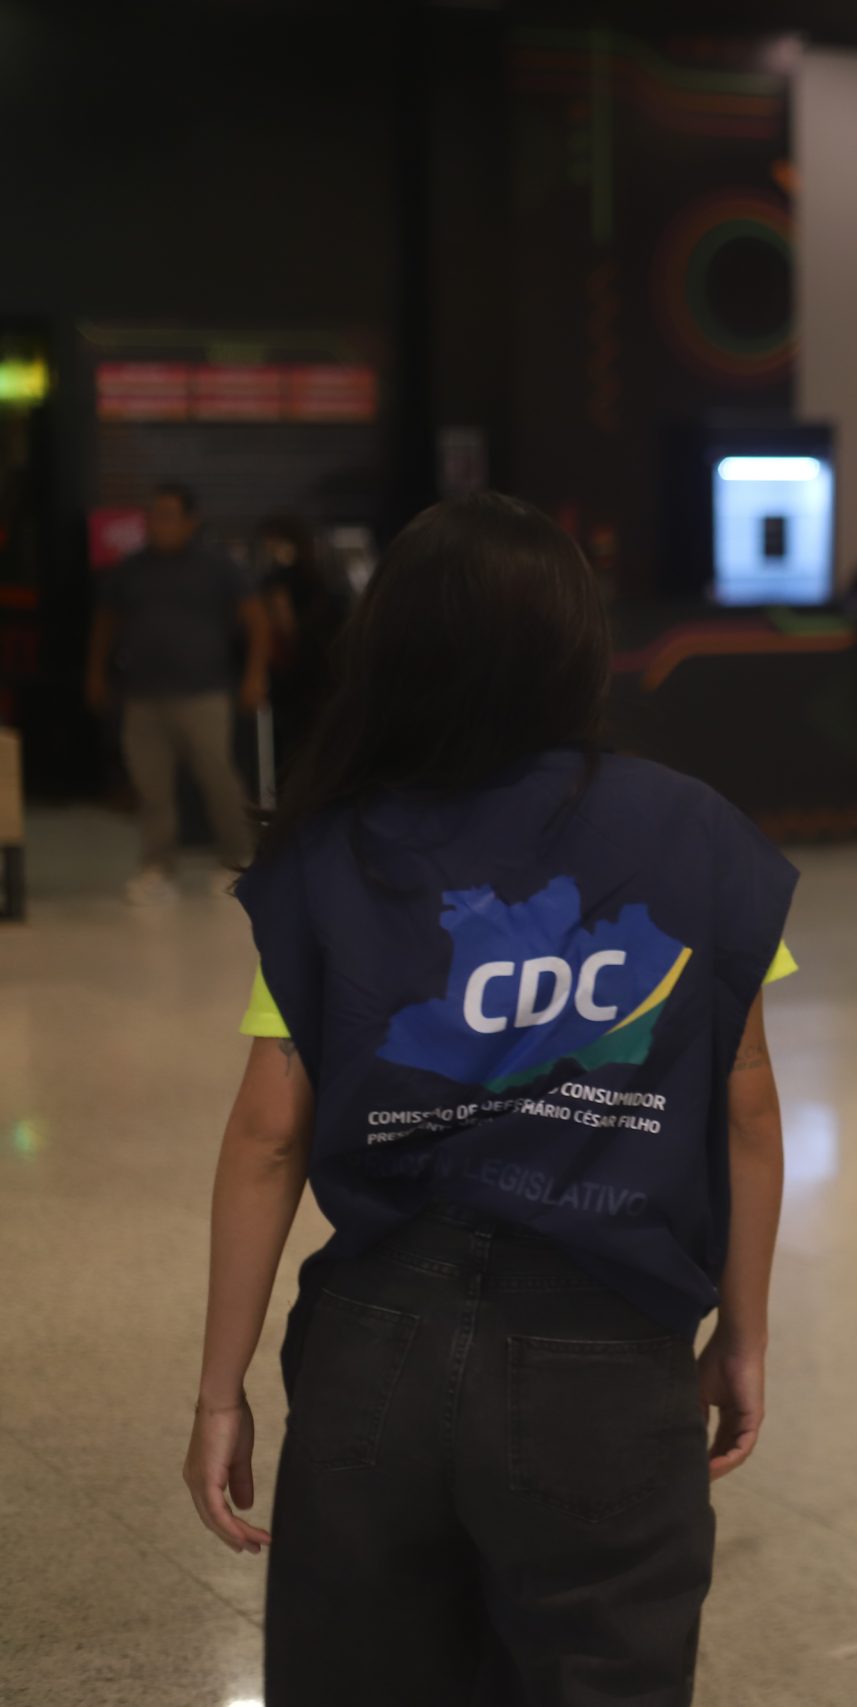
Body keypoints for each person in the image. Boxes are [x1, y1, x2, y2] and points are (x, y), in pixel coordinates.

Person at [179, 493, 799, 1706]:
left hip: (374, 1351)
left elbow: (266, 1138)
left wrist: (219, 1393)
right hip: (608, 1356)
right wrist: (746, 1333)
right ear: (581, 647)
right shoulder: (694, 835)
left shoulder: (333, 851)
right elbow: (750, 1112)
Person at [87, 482, 269, 902]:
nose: (157, 523)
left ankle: (237, 861)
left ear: (190, 520)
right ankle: (157, 866)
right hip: (143, 694)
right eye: (153, 515)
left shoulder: (217, 566)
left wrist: (255, 674)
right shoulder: (131, 568)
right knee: (151, 786)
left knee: (218, 778)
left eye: (168, 515)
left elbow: (256, 620)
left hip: (203, 692)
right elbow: (105, 624)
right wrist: (96, 673)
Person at [254, 514, 350, 787]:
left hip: (293, 674)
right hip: (324, 674)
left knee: (291, 748)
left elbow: (284, 626)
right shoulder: (324, 577)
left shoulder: (278, 580)